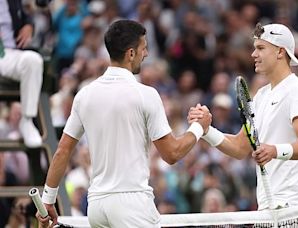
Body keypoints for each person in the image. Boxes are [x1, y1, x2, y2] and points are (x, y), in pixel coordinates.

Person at [36, 20, 211, 228]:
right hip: (131, 205)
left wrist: (48, 200)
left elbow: (62, 151)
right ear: (130, 53)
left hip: (97, 206)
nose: (146, 54)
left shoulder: (84, 95)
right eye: (143, 48)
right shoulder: (146, 95)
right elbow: (171, 154)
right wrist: (200, 127)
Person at [189, 23, 298, 210]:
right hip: (267, 206)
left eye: (260, 48)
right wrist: (206, 130)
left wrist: (274, 150)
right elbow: (240, 147)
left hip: (293, 206)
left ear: (280, 52)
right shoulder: (261, 96)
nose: (253, 55)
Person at [0, 0, 43, 148]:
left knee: (33, 60)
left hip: (7, 54)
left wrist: (29, 25)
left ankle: (27, 120)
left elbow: (25, 16)